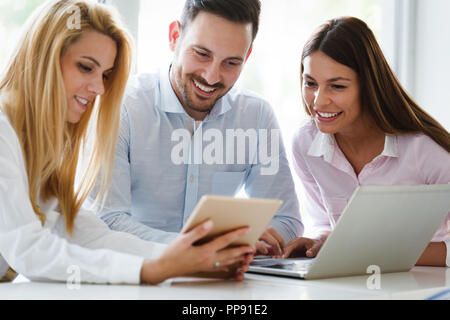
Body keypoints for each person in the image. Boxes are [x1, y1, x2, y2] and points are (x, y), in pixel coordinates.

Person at [0, 0, 254, 285]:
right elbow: (28, 250)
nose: (98, 88)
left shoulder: (44, 141)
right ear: (44, 57)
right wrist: (150, 270)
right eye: (86, 67)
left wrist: (192, 259)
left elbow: (88, 234)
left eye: (105, 75)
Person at [87, 0, 303, 256]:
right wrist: (204, 246)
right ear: (174, 37)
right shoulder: (122, 108)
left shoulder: (256, 116)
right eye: (202, 54)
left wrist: (251, 237)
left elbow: (287, 220)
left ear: (247, 56)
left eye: (231, 63)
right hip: (138, 277)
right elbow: (106, 220)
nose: (211, 76)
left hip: (223, 282)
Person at [283, 16, 450, 267]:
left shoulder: (425, 151)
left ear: (369, 86)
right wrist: (318, 241)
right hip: (349, 284)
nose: (318, 101)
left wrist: (371, 252)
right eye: (310, 83)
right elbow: (325, 223)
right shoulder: (305, 143)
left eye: (337, 86)